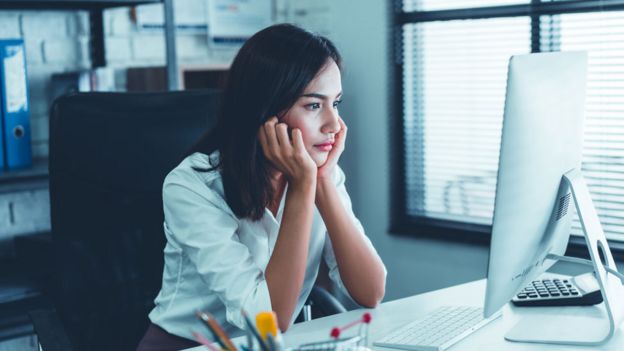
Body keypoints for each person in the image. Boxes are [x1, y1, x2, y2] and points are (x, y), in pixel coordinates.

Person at [137, 23, 387, 351]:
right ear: (266, 111)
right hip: (188, 346)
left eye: (335, 103)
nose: (334, 125)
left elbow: (370, 292)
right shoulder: (192, 186)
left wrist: (322, 182)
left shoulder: (319, 174)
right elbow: (269, 320)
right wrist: (303, 187)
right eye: (314, 105)